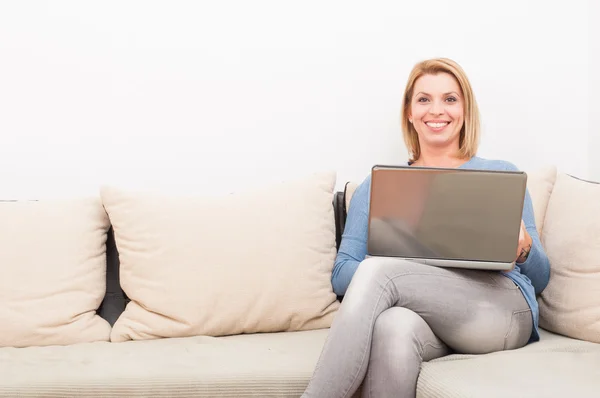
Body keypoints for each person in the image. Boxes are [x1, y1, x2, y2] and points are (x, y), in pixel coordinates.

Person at [301, 58, 551, 398]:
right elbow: (342, 273)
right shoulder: (377, 185)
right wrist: (408, 264)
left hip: (498, 311)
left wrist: (523, 248)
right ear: (409, 112)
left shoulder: (501, 174)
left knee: (381, 272)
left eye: (450, 99)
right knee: (392, 327)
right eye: (424, 99)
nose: (437, 110)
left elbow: (541, 279)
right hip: (427, 316)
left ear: (465, 110)